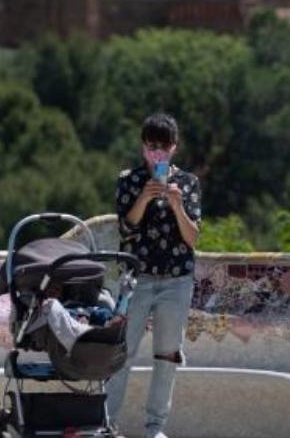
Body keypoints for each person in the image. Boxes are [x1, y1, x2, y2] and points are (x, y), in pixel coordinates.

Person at [105, 112, 202, 438]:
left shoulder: (188, 184)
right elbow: (126, 227)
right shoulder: (129, 180)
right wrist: (145, 197)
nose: (155, 154)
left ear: (174, 148)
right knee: (122, 352)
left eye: (162, 148)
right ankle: (108, 424)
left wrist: (177, 205)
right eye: (150, 147)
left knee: (167, 355)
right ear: (143, 147)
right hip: (138, 277)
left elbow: (192, 238)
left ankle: (155, 428)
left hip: (177, 279)